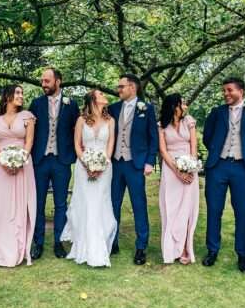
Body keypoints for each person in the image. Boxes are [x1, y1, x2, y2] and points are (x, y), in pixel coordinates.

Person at [202, 77, 245, 273]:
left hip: (242, 168)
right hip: (218, 166)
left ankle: (242, 254)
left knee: (243, 211)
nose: (226, 94)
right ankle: (212, 250)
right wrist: (216, 154)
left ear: (241, 91)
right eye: (224, 91)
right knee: (214, 210)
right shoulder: (217, 112)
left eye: (230, 90)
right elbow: (207, 137)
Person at [0, 85, 37, 267]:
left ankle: (18, 245)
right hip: (1, 167)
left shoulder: (27, 116)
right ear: (7, 96)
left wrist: (20, 160)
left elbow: (29, 141)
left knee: (20, 204)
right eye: (17, 93)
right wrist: (3, 161)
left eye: (21, 93)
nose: (21, 96)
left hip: (23, 166)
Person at [61, 89, 117, 267]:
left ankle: (99, 245)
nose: (105, 96)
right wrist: (86, 163)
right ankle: (83, 245)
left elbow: (110, 146)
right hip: (83, 167)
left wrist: (102, 165)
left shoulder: (111, 121)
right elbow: (77, 144)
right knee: (85, 204)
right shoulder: (81, 120)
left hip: (104, 168)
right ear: (93, 100)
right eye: (101, 94)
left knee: (100, 204)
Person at [29, 68, 79, 259]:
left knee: (60, 204)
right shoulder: (36, 104)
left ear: (58, 81)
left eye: (47, 81)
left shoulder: (71, 105)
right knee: (38, 203)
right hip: (40, 160)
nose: (44, 84)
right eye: (42, 81)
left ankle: (58, 242)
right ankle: (38, 243)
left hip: (62, 160)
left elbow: (77, 130)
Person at [108, 74, 158, 265]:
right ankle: (112, 242)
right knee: (113, 204)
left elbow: (153, 137)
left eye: (121, 86)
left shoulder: (147, 109)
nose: (118, 90)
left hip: (136, 164)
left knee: (139, 205)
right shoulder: (113, 108)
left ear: (132, 88)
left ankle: (141, 246)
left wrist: (149, 162)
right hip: (116, 164)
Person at [158, 94, 200, 265]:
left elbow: (194, 146)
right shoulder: (161, 125)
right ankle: (170, 247)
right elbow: (163, 151)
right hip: (170, 170)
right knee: (172, 208)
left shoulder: (189, 121)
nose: (185, 105)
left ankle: (184, 248)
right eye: (182, 102)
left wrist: (190, 168)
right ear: (174, 105)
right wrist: (177, 171)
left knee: (187, 210)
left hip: (189, 168)